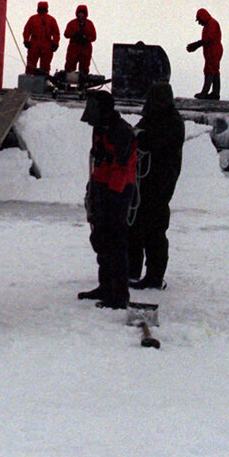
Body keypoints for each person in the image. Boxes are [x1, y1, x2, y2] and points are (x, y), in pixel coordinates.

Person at [78, 90, 137, 309]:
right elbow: (99, 161)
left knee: (115, 242)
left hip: (118, 190)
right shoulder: (100, 128)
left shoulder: (121, 132)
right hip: (102, 187)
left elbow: (121, 167)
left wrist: (112, 195)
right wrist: (93, 188)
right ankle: (106, 286)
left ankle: (119, 294)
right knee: (101, 238)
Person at [128, 82, 184, 290]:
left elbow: (152, 140)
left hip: (160, 182)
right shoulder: (153, 117)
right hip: (144, 181)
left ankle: (154, 275)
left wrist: (139, 136)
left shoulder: (172, 122)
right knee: (134, 226)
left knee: (154, 229)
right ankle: (133, 270)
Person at [186, 8, 223, 100]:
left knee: (210, 70)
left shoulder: (212, 24)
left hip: (214, 51)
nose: (199, 23)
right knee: (214, 71)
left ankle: (205, 92)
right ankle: (215, 93)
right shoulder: (209, 25)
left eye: (199, 20)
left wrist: (196, 44)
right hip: (212, 51)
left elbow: (208, 39)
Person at [22, 1, 60, 75]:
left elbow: (56, 33)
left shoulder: (51, 20)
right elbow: (27, 30)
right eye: (41, 8)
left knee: (45, 66)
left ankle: (43, 83)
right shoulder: (33, 19)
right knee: (31, 65)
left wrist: (55, 43)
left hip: (46, 44)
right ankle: (30, 81)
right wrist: (26, 40)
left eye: (43, 8)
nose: (42, 10)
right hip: (34, 44)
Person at [62, 4, 97, 84]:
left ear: (85, 14)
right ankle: (68, 83)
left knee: (84, 67)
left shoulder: (89, 24)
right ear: (77, 13)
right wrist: (75, 34)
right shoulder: (72, 23)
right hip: (74, 47)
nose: (81, 15)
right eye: (79, 13)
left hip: (85, 48)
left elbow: (94, 37)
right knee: (70, 65)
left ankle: (82, 84)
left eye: (82, 13)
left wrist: (85, 39)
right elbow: (66, 34)